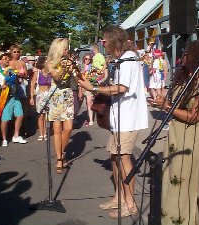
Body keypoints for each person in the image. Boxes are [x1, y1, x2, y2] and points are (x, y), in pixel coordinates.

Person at [78, 26, 148, 218]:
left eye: (104, 41)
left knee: (124, 158)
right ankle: (119, 197)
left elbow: (122, 88)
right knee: (114, 158)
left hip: (127, 117)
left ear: (112, 41)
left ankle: (130, 203)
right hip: (120, 117)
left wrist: (93, 89)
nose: (102, 44)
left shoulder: (127, 60)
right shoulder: (122, 59)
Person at [148, 40, 199, 225]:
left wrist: (167, 106)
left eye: (186, 54)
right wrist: (161, 102)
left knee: (185, 188)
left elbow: (194, 117)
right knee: (172, 186)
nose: (182, 57)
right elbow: (174, 106)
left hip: (190, 139)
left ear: (194, 57)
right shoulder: (183, 80)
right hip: (175, 136)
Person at [46, 38, 74, 174]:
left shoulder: (68, 62)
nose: (66, 50)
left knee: (68, 128)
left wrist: (73, 67)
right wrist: (63, 67)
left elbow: (76, 77)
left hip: (67, 94)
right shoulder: (50, 62)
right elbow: (57, 78)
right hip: (56, 95)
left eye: (67, 48)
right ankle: (59, 158)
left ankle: (62, 152)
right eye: (64, 48)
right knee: (57, 128)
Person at [0, 52, 27, 147]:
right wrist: (0, 86)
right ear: (0, 60)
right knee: (5, 119)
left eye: (8, 58)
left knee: (20, 115)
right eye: (5, 58)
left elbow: (17, 81)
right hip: (4, 97)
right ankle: (4, 138)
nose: (7, 59)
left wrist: (19, 76)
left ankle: (16, 135)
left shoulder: (12, 70)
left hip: (14, 95)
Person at [29, 56, 51, 141]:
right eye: (45, 61)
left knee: (47, 115)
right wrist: (31, 97)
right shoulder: (37, 72)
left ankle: (46, 132)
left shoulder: (50, 72)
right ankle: (41, 133)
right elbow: (32, 84)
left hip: (49, 95)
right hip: (40, 95)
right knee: (40, 115)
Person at [79, 53, 94, 126]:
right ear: (84, 59)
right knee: (79, 103)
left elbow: (97, 75)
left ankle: (90, 119)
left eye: (89, 59)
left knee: (89, 103)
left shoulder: (92, 67)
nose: (87, 60)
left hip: (88, 87)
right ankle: (74, 118)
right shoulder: (80, 66)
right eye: (86, 59)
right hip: (80, 87)